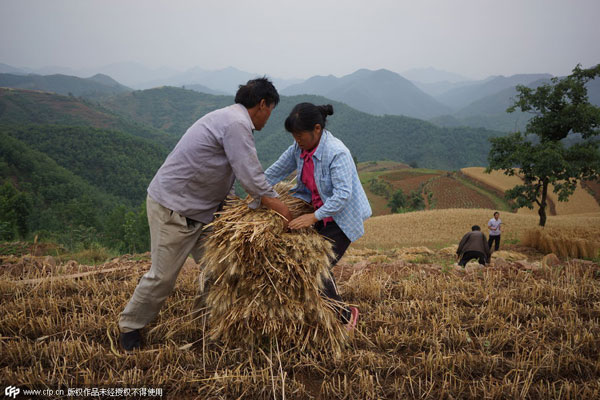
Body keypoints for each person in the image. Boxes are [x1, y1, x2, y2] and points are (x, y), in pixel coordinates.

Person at [118, 77, 292, 351]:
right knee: (162, 277)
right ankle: (130, 326)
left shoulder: (230, 119)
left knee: (220, 268)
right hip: (173, 208)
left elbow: (229, 173)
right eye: (270, 110)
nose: (269, 118)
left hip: (204, 211)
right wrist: (283, 210)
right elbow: (251, 175)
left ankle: (206, 324)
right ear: (262, 105)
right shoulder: (236, 123)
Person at [264, 102, 371, 331]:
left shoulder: (336, 152)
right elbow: (275, 171)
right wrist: (255, 190)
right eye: (294, 135)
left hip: (340, 220)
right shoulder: (299, 148)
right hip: (318, 213)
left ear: (317, 129)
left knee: (316, 268)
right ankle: (321, 312)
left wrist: (313, 217)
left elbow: (343, 195)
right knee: (306, 267)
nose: (297, 139)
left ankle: (345, 316)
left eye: (300, 134)